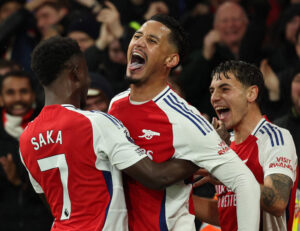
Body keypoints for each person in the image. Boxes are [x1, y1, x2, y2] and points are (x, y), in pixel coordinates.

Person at [19, 36, 260, 231]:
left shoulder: (26, 138)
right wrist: (209, 146)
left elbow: (52, 201)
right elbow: (156, 177)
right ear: (75, 73)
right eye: (85, 71)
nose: (87, 79)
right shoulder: (95, 123)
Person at [108, 14, 260, 231]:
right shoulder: (116, 104)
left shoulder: (185, 119)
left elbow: (246, 184)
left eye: (152, 41)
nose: (139, 42)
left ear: (171, 60)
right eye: (137, 36)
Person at [193, 60, 298, 231]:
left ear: (251, 94)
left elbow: (278, 201)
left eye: (225, 89)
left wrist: (229, 176)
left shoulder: (276, 138)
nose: (214, 97)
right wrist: (180, 200)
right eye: (212, 91)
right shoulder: (226, 146)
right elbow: (227, 214)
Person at [179, 1, 265, 118]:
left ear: (246, 23)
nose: (230, 25)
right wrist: (205, 56)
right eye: (225, 21)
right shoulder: (204, 55)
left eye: (235, 19)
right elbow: (185, 89)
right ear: (215, 27)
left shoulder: (262, 54)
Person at [0, 71, 52, 230]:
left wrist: (20, 182)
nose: (18, 99)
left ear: (33, 95)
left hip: (42, 223)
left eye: (23, 91)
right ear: (1, 98)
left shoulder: (48, 129)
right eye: (10, 92)